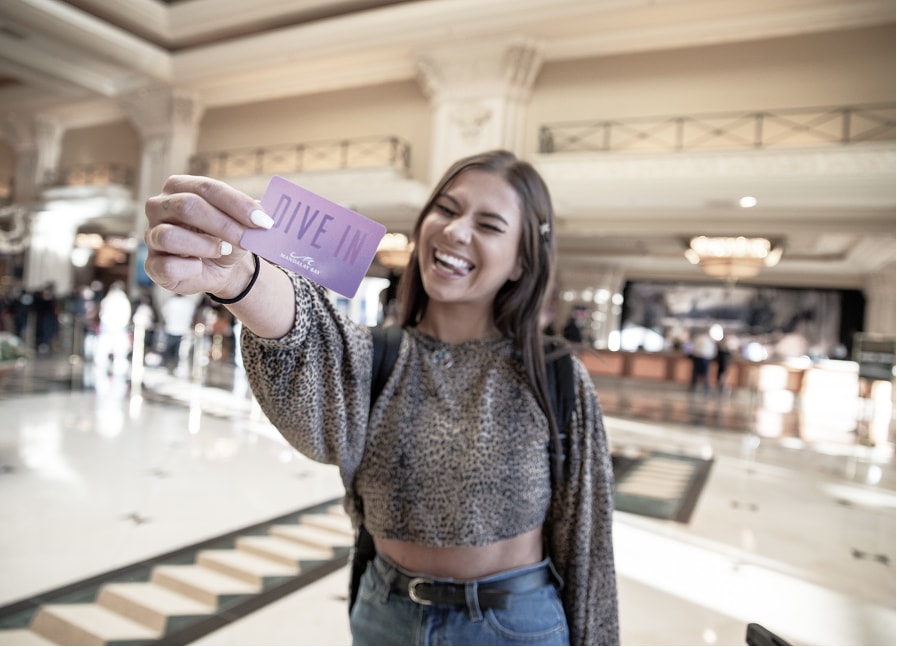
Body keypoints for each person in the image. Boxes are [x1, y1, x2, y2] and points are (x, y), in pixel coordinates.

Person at [143, 150, 619, 646]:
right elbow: (309, 334)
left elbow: (587, 544)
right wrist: (241, 278)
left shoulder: (553, 377)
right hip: (387, 616)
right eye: (448, 209)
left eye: (490, 224)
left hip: (512, 625)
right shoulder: (380, 357)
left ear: (522, 261)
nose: (456, 231)